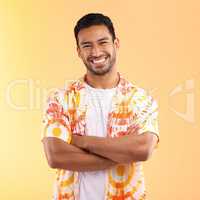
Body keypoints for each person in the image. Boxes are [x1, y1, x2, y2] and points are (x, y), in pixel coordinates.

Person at [42, 13, 159, 200]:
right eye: (87, 45)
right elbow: (56, 155)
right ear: (78, 51)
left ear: (116, 44)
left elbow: (143, 149)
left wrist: (81, 141)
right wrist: (122, 154)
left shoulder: (141, 99)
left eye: (103, 42)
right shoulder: (61, 98)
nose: (96, 52)